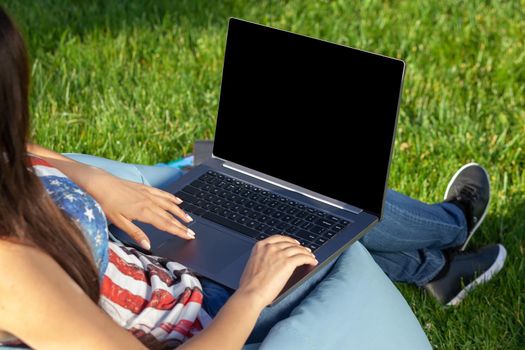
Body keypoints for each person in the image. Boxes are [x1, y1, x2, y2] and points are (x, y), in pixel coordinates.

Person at [0, 7, 504, 349]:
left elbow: (12, 146)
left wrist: (89, 176)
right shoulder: (11, 272)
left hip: (155, 252)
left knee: (261, 183)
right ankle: (452, 226)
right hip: (211, 309)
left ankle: (435, 269)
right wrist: (251, 294)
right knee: (314, 194)